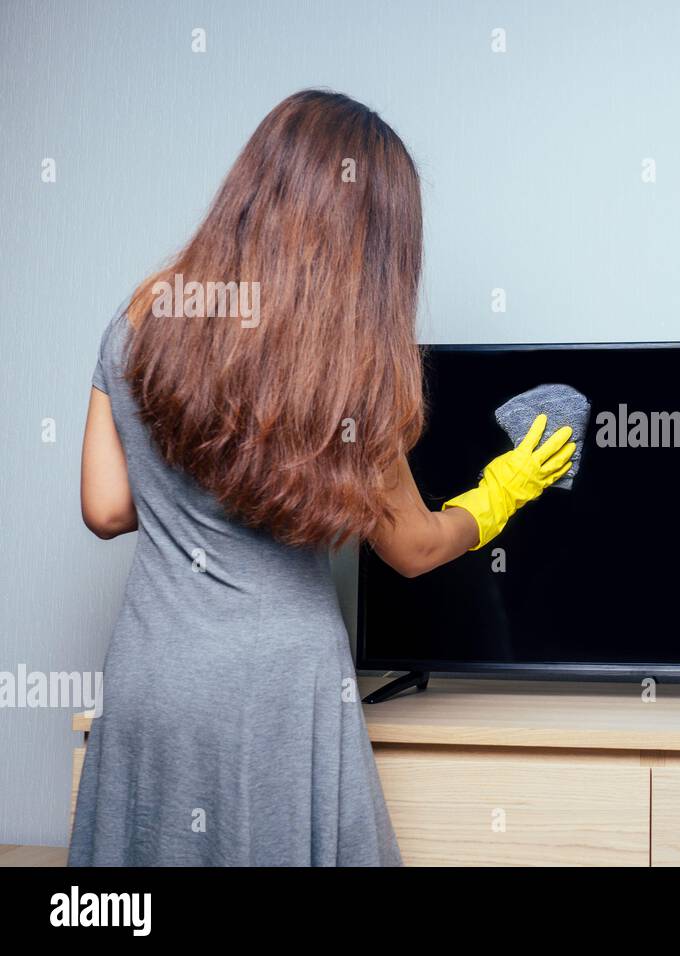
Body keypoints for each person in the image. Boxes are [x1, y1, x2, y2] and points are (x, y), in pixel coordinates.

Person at [72, 89, 574, 865]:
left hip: (152, 681)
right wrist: (507, 487)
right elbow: (411, 548)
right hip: (278, 696)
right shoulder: (340, 371)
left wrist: (203, 464)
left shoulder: (141, 315)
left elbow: (105, 508)